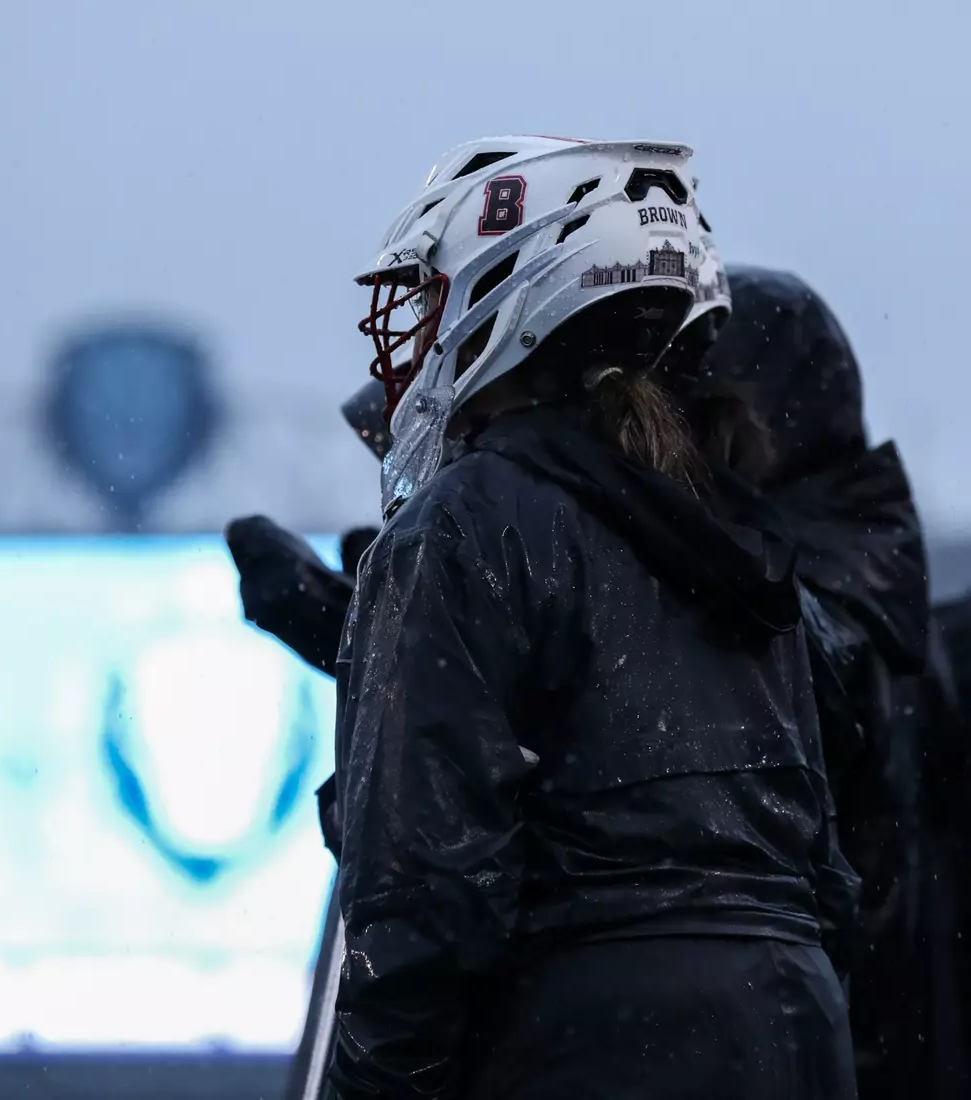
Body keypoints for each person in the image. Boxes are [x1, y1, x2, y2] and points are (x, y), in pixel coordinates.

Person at [326, 135, 859, 1100]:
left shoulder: (463, 525)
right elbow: (825, 866)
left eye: (432, 296)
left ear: (509, 297)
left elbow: (424, 889)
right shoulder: (732, 532)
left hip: (582, 1038)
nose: (409, 337)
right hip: (789, 1027)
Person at [677, 266, 968, 1098]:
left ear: (741, 426)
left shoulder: (811, 607)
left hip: (837, 1062)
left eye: (678, 418)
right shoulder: (861, 580)